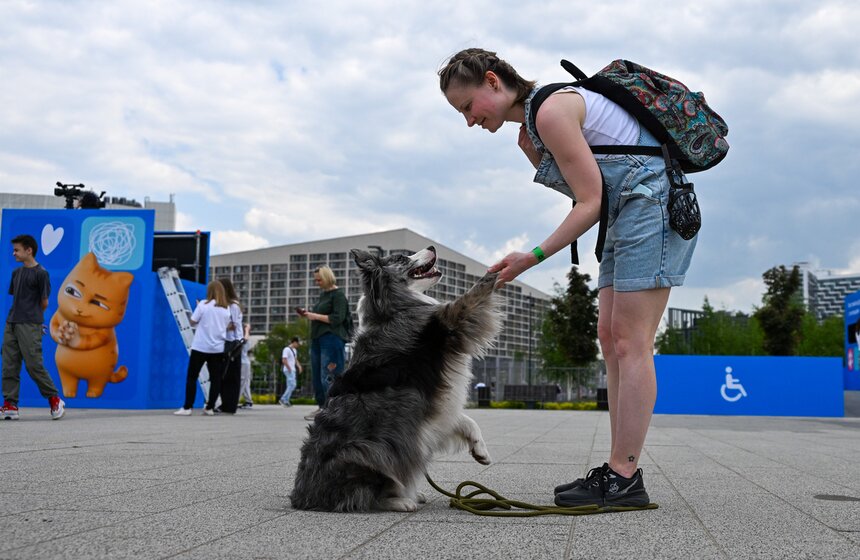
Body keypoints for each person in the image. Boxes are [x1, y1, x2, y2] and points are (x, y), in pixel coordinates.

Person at [439, 48, 698, 508]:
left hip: (650, 204)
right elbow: (591, 189)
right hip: (629, 210)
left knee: (630, 341)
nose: (468, 121)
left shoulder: (553, 110)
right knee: (611, 337)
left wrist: (532, 257)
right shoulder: (537, 122)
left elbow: (590, 201)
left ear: (493, 82)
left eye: (466, 106)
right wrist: (536, 159)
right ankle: (622, 471)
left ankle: (624, 474)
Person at [1, 234, 64, 420]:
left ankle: (54, 399)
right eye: (13, 250)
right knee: (9, 365)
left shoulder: (41, 274)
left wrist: (36, 322)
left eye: (17, 250)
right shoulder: (16, 273)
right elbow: (18, 299)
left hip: (29, 324)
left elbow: (44, 302)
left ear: (29, 250)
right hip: (11, 323)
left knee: (33, 365)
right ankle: (10, 405)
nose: (14, 253)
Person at [297, 266, 348, 421]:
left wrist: (315, 316)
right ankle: (322, 407)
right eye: (316, 280)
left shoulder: (338, 295)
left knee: (329, 374)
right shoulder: (323, 295)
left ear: (327, 278)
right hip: (318, 339)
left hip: (331, 338)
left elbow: (337, 318)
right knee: (317, 375)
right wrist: (308, 315)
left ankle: (334, 409)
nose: (317, 282)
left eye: (319, 279)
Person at [175, 281, 231, 416]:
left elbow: (193, 321)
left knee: (192, 377)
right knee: (215, 379)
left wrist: (197, 308)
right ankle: (210, 407)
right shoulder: (226, 309)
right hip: (217, 348)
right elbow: (226, 326)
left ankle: (187, 407)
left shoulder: (203, 305)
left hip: (200, 346)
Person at [217, 277, 243, 414]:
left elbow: (233, 325)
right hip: (226, 341)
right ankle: (226, 403)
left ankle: (230, 404)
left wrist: (217, 325)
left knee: (231, 375)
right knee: (225, 374)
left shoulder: (232, 305)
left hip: (233, 342)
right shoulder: (226, 304)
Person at [280, 336, 302, 407]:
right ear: (294, 342)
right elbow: (284, 360)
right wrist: (289, 368)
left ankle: (286, 400)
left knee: (290, 385)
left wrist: (299, 366)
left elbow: (295, 359)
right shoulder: (286, 349)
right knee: (292, 384)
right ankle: (283, 399)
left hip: (292, 369)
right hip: (288, 369)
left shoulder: (295, 350)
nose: (298, 346)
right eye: (297, 344)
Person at [238, 324, 253, 408]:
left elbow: (245, 340)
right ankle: (248, 400)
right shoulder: (240, 337)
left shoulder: (245, 337)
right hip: (244, 361)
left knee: (243, 381)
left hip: (244, 362)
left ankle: (236, 400)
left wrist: (247, 329)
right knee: (245, 382)